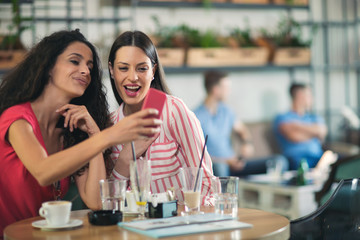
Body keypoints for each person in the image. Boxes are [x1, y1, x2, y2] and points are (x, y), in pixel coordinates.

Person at [0, 29, 161, 234]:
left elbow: (95, 201)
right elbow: (43, 171)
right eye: (75, 61)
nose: (85, 70)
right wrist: (107, 137)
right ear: (48, 65)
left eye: (90, 65)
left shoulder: (70, 131)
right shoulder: (17, 118)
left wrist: (94, 132)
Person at [108, 31, 214, 205]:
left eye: (142, 68)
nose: (133, 77)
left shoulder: (173, 111)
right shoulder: (109, 125)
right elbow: (109, 201)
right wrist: (124, 161)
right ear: (112, 70)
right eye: (123, 68)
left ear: (153, 71)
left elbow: (206, 183)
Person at [194, 70, 288, 177]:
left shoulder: (227, 111)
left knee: (279, 161)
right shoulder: (196, 117)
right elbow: (196, 155)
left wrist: (247, 143)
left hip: (236, 164)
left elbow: (242, 130)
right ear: (216, 90)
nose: (229, 91)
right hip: (216, 165)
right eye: (226, 88)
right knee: (220, 167)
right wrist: (227, 161)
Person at [274, 82, 327, 170]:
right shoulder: (282, 117)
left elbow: (322, 132)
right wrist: (313, 133)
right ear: (300, 95)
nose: (312, 99)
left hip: (319, 157)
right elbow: (294, 137)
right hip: (296, 159)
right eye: (309, 95)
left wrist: (296, 126)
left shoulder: (314, 117)